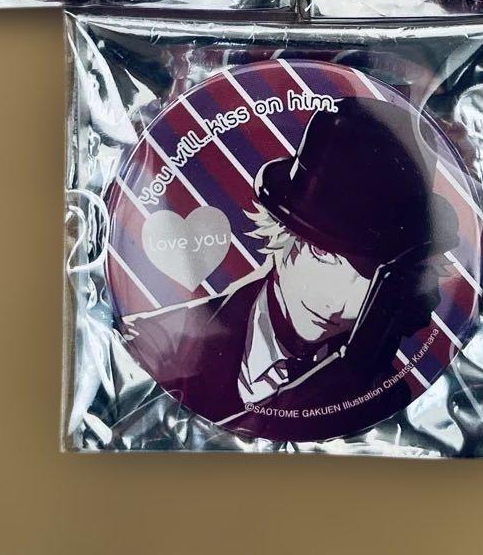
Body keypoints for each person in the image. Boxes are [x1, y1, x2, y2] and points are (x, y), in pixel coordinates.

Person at [123, 98, 461, 440]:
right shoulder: (151, 347)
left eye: (369, 275)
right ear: (283, 232)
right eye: (323, 252)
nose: (337, 301)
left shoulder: (386, 397)